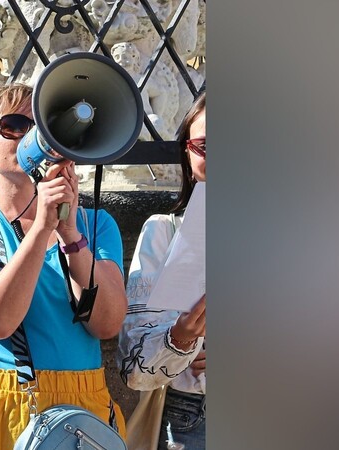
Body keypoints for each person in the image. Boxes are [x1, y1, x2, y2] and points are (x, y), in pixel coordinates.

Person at [0, 83, 129, 450]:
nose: (31, 136)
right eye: (13, 126)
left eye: (43, 125)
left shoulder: (96, 225)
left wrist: (69, 233)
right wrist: (41, 229)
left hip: (83, 410)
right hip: (2, 406)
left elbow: (106, 323)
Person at [118, 90, 207, 450]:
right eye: (205, 145)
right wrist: (181, 339)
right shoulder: (163, 231)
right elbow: (134, 370)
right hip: (194, 417)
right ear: (187, 151)